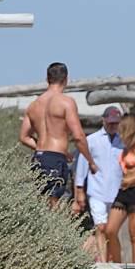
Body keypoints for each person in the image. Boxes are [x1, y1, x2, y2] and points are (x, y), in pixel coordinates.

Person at [19, 62, 98, 207]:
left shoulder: (34, 104)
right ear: (66, 79)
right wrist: (91, 162)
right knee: (54, 206)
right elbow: (79, 136)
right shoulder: (66, 102)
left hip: (39, 158)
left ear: (47, 79)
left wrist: (43, 149)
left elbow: (24, 137)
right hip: (55, 159)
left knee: (42, 204)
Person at [74, 106, 124, 262]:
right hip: (97, 190)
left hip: (118, 192)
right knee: (101, 227)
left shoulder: (124, 141)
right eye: (110, 122)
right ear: (103, 120)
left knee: (112, 230)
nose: (113, 126)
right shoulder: (92, 140)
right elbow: (81, 166)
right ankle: (103, 262)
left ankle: (114, 260)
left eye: (116, 123)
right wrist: (79, 190)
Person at [105, 114, 135, 263]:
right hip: (124, 191)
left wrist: (131, 180)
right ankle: (117, 264)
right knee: (110, 230)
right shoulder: (126, 148)